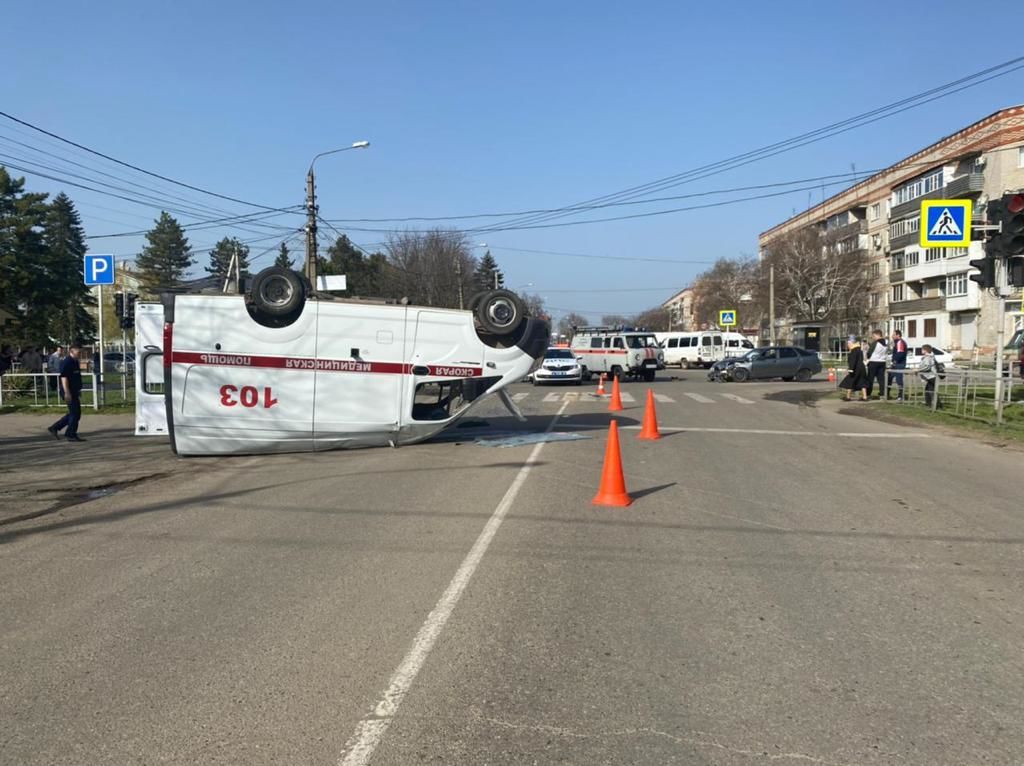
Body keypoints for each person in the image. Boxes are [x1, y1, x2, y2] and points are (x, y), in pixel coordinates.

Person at [47, 345, 86, 442]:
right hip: (68, 391)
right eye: (78, 352)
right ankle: (70, 434)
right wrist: (67, 392)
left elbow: (76, 377)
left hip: (74, 391)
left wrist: (78, 390)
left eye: (80, 352)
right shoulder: (67, 362)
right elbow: (64, 378)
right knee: (75, 413)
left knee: (75, 413)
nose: (79, 354)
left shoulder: (75, 362)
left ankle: (55, 428)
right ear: (71, 352)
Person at [839, 337, 869, 402]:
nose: (847, 345)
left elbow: (853, 361)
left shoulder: (853, 351)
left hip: (855, 369)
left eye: (848, 344)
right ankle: (865, 397)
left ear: (851, 343)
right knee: (862, 382)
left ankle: (848, 397)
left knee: (849, 381)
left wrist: (850, 369)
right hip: (862, 368)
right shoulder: (859, 350)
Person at [865, 329, 887, 400]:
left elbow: (869, 352)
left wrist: (867, 356)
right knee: (881, 379)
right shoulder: (886, 342)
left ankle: (868, 394)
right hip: (882, 362)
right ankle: (882, 394)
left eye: (874, 336)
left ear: (877, 335)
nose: (873, 337)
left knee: (870, 379)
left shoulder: (875, 343)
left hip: (874, 361)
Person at [887, 330, 908, 401]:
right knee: (889, 378)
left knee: (899, 380)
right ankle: (887, 394)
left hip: (899, 364)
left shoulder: (900, 342)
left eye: (893, 335)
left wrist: (895, 361)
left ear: (898, 335)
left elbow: (900, 353)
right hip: (896, 364)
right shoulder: (896, 343)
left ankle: (900, 396)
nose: (892, 336)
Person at [918, 344, 941, 409]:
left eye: (922, 349)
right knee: (928, 390)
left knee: (931, 391)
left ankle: (935, 405)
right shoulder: (927, 357)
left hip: (932, 376)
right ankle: (931, 404)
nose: (921, 351)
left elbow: (927, 367)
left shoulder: (928, 357)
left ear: (925, 350)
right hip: (930, 377)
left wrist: (918, 370)